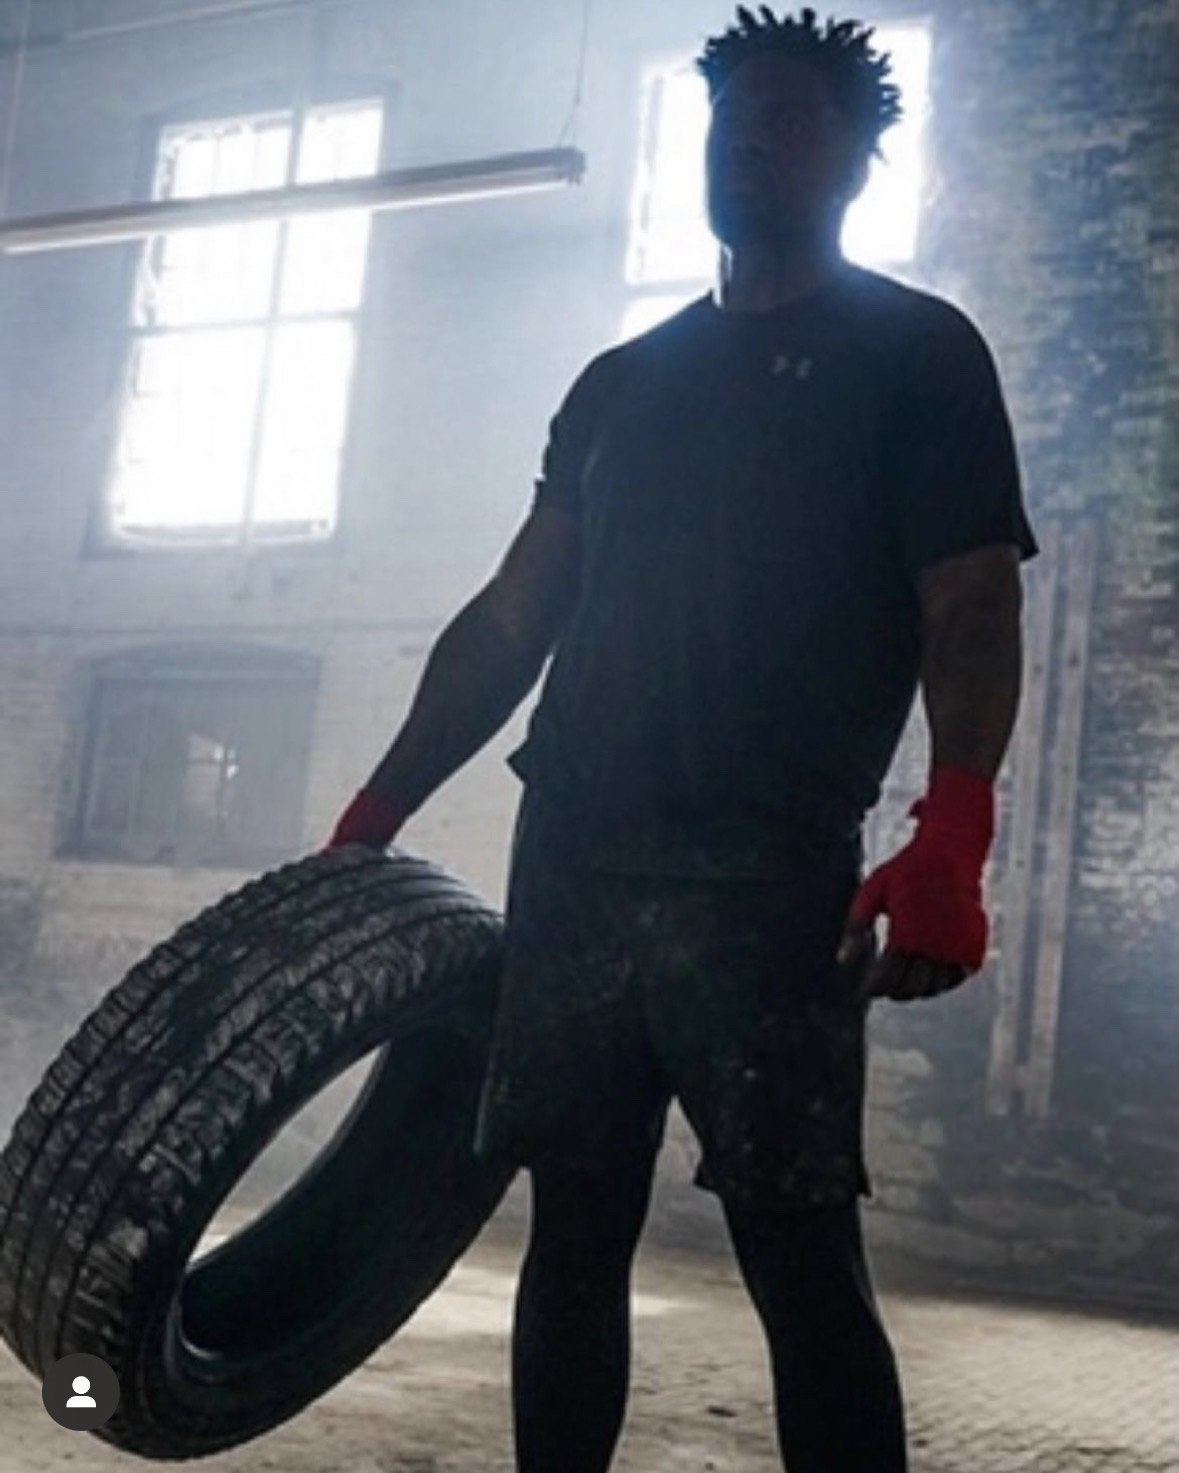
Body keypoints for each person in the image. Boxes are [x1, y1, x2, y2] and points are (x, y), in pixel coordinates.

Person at [329, 6, 1039, 1470]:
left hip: (770, 881)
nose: (751, 139)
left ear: (854, 161)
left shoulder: (916, 357)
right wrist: (377, 805)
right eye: (732, 117)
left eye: (790, 119)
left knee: (798, 1260)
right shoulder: (622, 381)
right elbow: (515, 615)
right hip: (576, 859)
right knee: (573, 1235)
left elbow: (969, 603)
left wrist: (953, 828)